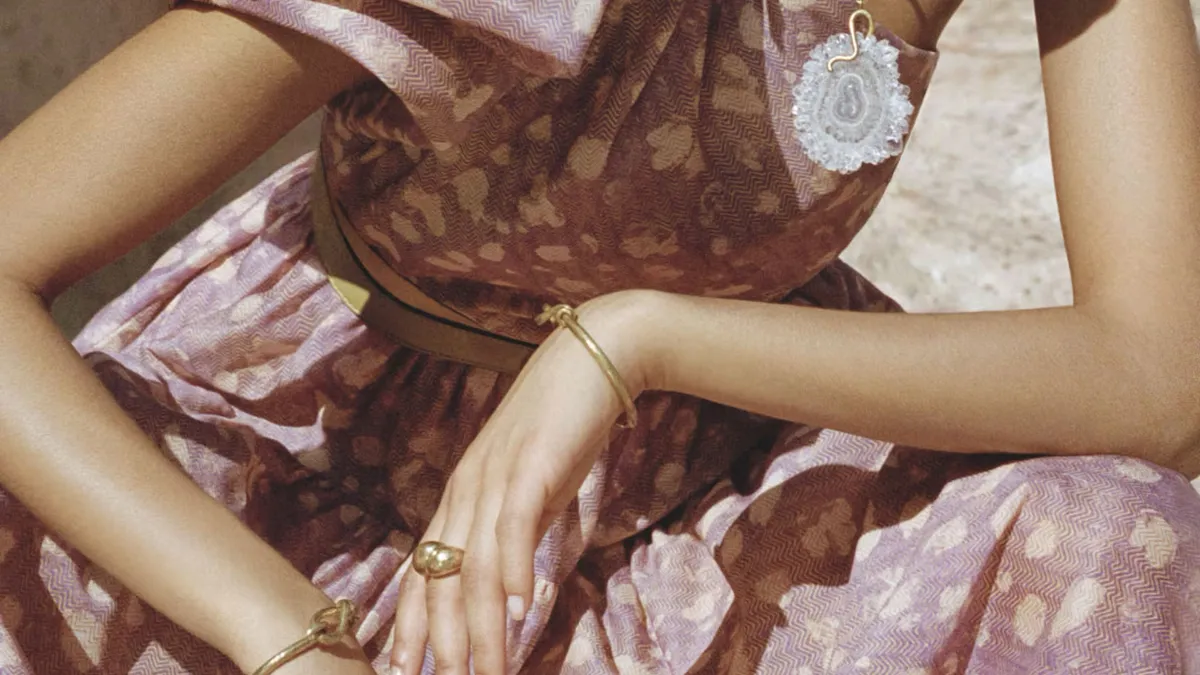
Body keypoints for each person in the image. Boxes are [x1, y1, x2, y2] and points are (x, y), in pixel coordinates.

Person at [0, 0, 1197, 672]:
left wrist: (636, 344)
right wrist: (288, 641)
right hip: (305, 464)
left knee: (1112, 534)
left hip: (702, 486)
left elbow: (1162, 378)